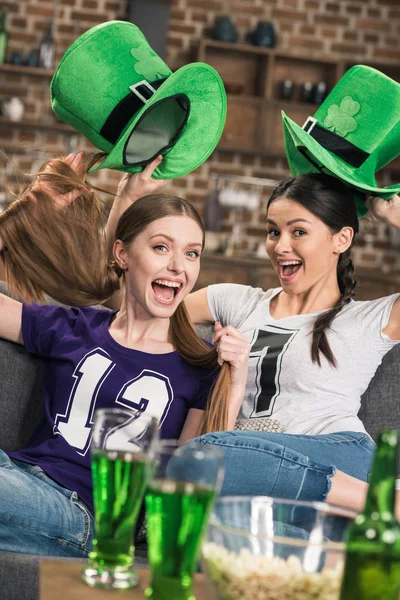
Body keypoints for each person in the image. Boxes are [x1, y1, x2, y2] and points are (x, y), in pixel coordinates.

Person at [0, 153, 250, 557]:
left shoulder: (201, 365)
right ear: (122, 255)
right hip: (17, 476)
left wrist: (235, 381)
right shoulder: (74, 326)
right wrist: (33, 206)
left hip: (81, 515)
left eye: (191, 253)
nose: (177, 266)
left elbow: (188, 479)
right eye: (160, 247)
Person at [181, 172, 400, 517]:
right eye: (273, 231)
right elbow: (140, 307)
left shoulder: (371, 319)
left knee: (207, 455)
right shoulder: (237, 302)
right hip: (262, 477)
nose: (280, 246)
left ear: (341, 239)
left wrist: (394, 217)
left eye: (298, 231)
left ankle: (387, 502)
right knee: (215, 520)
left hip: (342, 457)